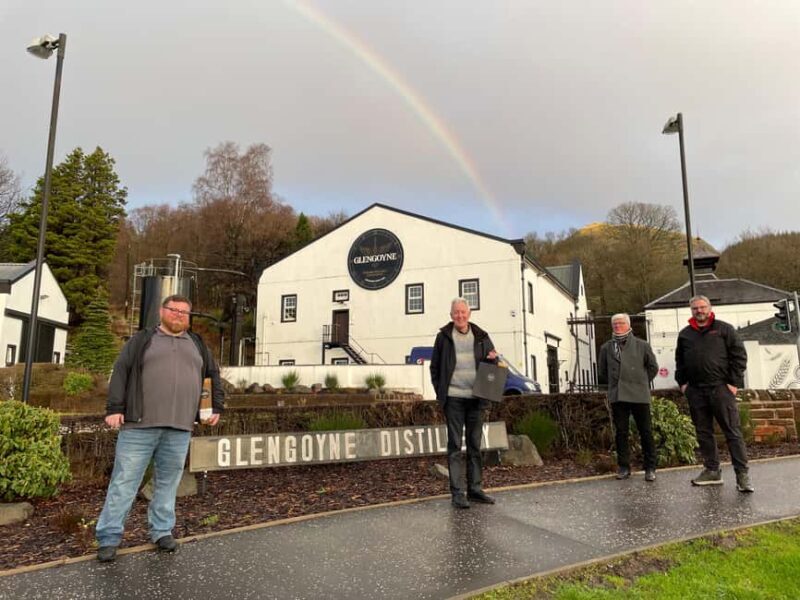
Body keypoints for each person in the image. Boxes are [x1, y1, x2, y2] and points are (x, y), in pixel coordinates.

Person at [95, 295, 225, 562]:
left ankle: (162, 531)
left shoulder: (197, 344)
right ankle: (108, 537)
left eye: (184, 312)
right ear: (162, 311)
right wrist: (114, 408)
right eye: (174, 310)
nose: (179, 315)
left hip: (180, 427)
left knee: (167, 484)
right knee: (124, 483)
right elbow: (121, 371)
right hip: (138, 426)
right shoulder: (142, 340)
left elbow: (212, 377)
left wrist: (215, 408)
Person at [675, 294, 754, 492]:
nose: (699, 311)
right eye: (695, 308)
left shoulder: (724, 329)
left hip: (721, 389)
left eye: (702, 307)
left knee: (732, 432)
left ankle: (742, 476)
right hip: (696, 390)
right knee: (703, 433)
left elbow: (739, 356)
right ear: (691, 310)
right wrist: (683, 383)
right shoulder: (685, 334)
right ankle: (712, 471)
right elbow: (680, 361)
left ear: (709, 308)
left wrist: (733, 383)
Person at [430, 297, 498, 509]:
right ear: (451, 315)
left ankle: (475, 489)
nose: (460, 315)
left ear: (469, 314)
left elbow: (493, 365)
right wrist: (442, 392)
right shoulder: (443, 337)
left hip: (476, 399)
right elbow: (435, 368)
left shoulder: (482, 337)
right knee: (455, 446)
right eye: (456, 312)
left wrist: (493, 360)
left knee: (475, 445)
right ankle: (458, 493)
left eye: (463, 312)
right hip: (454, 399)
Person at [598, 313, 659, 482]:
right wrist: (615, 384)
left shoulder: (642, 345)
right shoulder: (606, 348)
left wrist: (640, 382)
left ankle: (650, 468)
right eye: (615, 324)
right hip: (618, 395)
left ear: (628, 325)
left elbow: (653, 367)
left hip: (639, 394)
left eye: (621, 323)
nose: (617, 326)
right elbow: (602, 372)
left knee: (645, 431)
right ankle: (624, 467)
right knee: (621, 432)